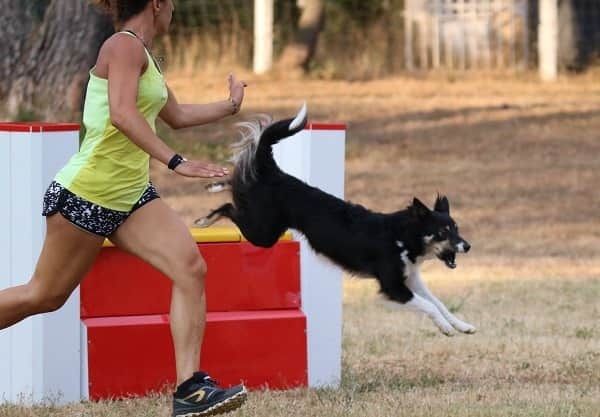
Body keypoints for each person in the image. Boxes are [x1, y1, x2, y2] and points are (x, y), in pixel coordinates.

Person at [0, 0, 248, 416]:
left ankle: (190, 390)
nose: (175, 11)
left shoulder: (144, 56)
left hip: (131, 196)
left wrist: (230, 106)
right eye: (172, 4)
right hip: (88, 194)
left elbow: (178, 114)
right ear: (156, 4)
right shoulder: (123, 46)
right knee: (44, 295)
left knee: (190, 267)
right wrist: (176, 162)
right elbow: (121, 114)